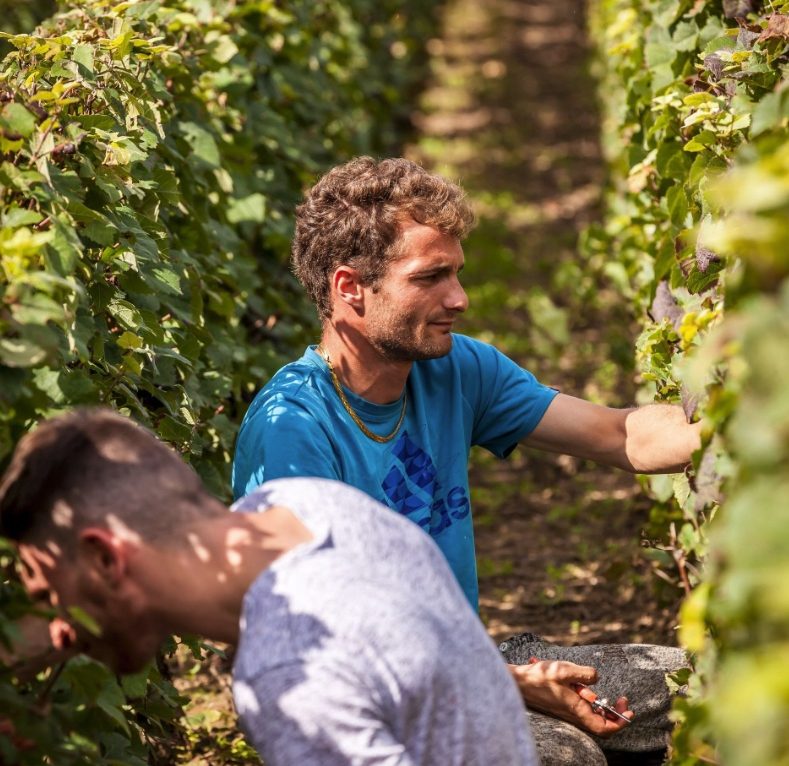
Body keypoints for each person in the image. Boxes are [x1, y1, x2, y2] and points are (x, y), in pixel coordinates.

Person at [232, 156, 698, 764]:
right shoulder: (292, 431)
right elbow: (322, 647)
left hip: (466, 664)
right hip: (371, 708)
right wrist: (513, 687)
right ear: (350, 288)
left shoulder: (454, 368)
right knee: (563, 756)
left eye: (457, 273)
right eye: (431, 278)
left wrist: (743, 423)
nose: (460, 298)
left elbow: (617, 434)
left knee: (711, 683)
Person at [0, 408, 540, 766]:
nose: (62, 629)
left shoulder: (289, 678)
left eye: (53, 598)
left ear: (103, 557)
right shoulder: (307, 504)